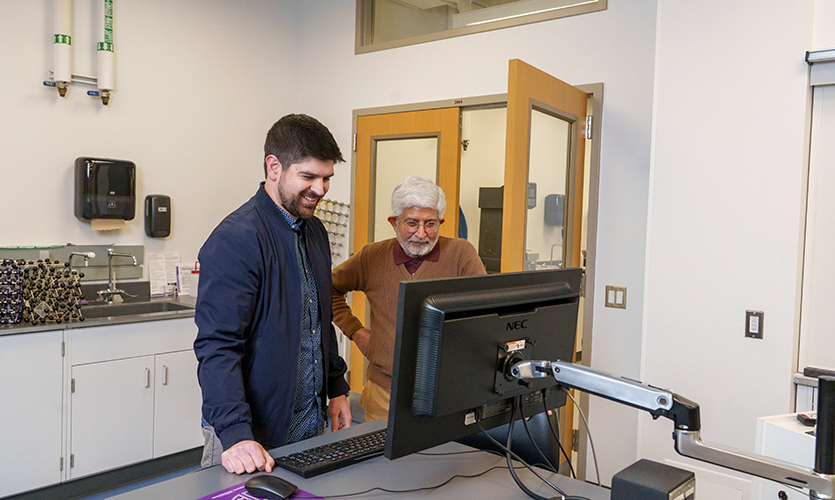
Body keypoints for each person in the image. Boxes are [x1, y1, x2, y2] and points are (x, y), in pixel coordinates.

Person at [194, 114, 352, 475]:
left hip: (307, 422)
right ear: (274, 166)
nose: (320, 189)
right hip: (249, 434)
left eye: (327, 178)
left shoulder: (315, 232)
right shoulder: (235, 240)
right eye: (308, 177)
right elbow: (217, 347)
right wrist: (235, 433)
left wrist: (337, 387)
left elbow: (318, 319)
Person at [331, 176, 486, 421]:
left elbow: (488, 314)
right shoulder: (372, 257)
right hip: (384, 394)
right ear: (394, 222)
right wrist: (355, 331)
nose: (421, 233)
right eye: (412, 223)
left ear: (440, 222)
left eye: (430, 224)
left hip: (446, 394)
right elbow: (327, 289)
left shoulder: (461, 254)